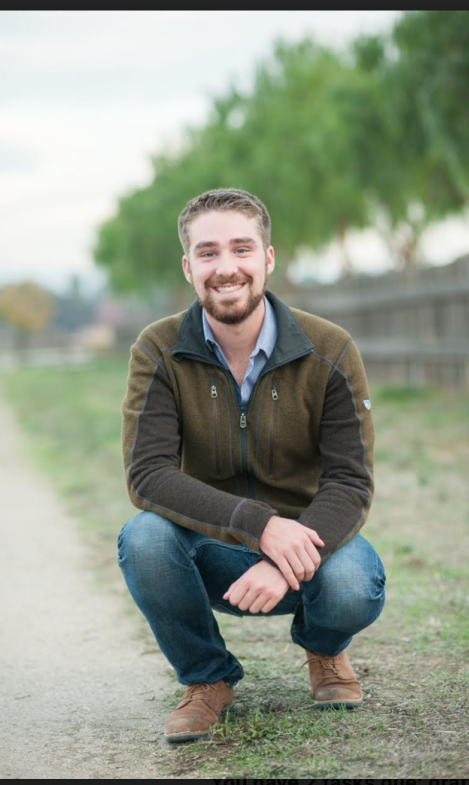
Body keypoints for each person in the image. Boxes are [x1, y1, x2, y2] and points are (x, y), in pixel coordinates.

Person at [117, 187, 386, 743]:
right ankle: (207, 679)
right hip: (207, 549)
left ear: (267, 258)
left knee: (354, 585)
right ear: (189, 266)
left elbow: (350, 482)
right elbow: (148, 474)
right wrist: (259, 526)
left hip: (310, 545)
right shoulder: (158, 349)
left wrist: (288, 552)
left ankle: (326, 650)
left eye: (242, 249)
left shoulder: (329, 349)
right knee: (142, 538)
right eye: (208, 252)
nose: (226, 267)